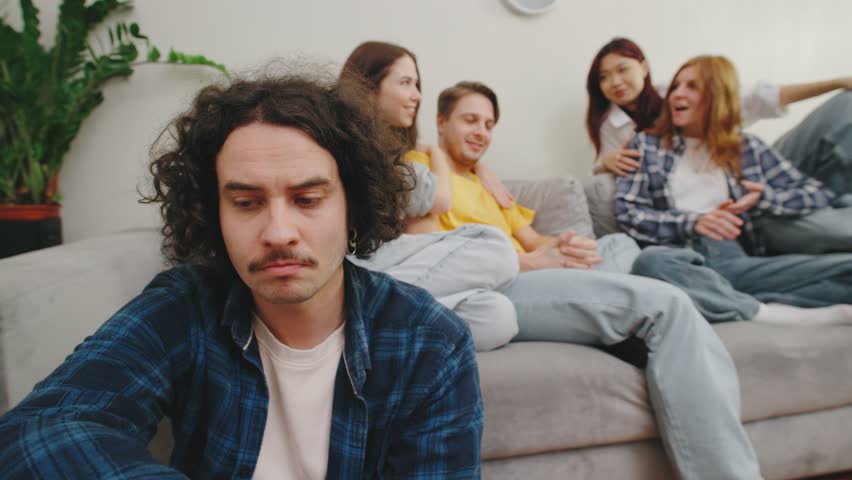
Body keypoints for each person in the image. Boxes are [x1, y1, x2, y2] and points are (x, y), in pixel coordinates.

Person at [0, 73, 483, 478]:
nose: (278, 233)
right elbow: (38, 430)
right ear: (215, 214)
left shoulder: (431, 343)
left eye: (308, 200)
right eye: (247, 203)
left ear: (352, 207)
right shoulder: (187, 304)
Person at [433, 80, 764, 479]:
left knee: (620, 244)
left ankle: (634, 287)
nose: (481, 132)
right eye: (470, 120)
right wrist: (535, 259)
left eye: (488, 124)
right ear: (440, 122)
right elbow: (437, 253)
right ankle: (745, 308)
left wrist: (568, 246)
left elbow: (535, 239)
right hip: (499, 285)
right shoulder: (423, 169)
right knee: (669, 305)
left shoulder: (486, 184)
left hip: (536, 266)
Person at [616, 55, 852, 326]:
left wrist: (766, 199)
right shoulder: (645, 146)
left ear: (717, 94)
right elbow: (629, 213)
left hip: (739, 260)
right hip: (682, 258)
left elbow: (816, 192)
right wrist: (694, 222)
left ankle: (733, 300)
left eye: (692, 86)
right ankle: (763, 312)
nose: (676, 94)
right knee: (650, 263)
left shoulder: (746, 147)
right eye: (676, 87)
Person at [585, 37, 852, 254]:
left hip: (745, 177)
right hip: (710, 228)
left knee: (844, 109)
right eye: (604, 77)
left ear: (643, 67)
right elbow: (629, 204)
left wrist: (836, 82)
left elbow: (761, 97)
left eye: (622, 69)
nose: (615, 82)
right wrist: (604, 162)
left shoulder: (679, 94)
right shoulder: (620, 131)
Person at [339, 41, 520, 351]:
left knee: (498, 316)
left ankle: (374, 330)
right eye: (406, 83)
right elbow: (439, 201)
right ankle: (356, 313)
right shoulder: (346, 144)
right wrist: (436, 151)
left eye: (417, 84)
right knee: (498, 248)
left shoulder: (394, 155)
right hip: (358, 267)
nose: (417, 95)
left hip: (391, 267)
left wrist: (478, 167)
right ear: (367, 86)